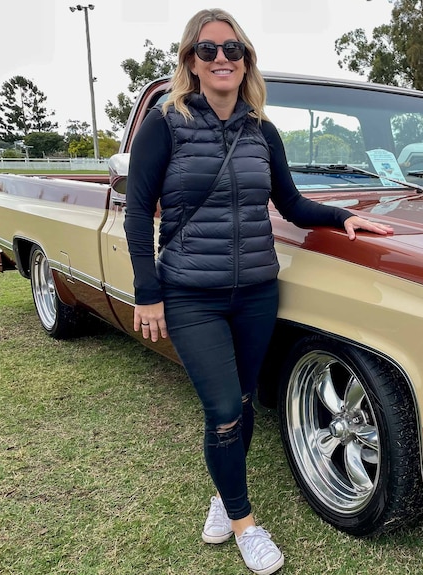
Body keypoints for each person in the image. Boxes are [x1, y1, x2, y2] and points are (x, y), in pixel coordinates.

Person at [123, 8, 392, 574]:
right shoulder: (165, 124)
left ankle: (224, 497)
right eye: (208, 50)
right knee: (221, 408)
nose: (221, 58)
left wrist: (343, 216)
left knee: (244, 403)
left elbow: (289, 203)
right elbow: (136, 214)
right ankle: (245, 524)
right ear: (190, 63)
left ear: (246, 62)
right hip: (191, 294)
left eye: (233, 50)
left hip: (255, 295)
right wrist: (148, 295)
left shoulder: (262, 131)